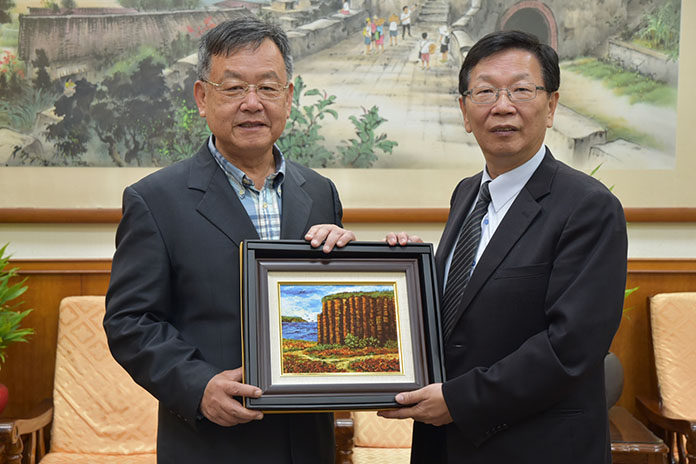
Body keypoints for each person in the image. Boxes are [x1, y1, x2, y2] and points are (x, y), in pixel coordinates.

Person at [104, 17, 356, 463]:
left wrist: (350, 267)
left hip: (307, 444)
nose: (252, 103)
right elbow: (130, 321)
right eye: (234, 87)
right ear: (203, 98)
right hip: (211, 444)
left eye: (268, 88)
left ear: (289, 97)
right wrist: (197, 385)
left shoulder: (320, 192)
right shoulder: (155, 199)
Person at [380, 30, 628, 463]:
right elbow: (465, 312)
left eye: (521, 90)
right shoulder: (467, 193)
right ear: (464, 110)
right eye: (485, 92)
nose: (502, 106)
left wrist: (458, 400)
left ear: (551, 106)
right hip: (447, 444)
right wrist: (406, 270)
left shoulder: (588, 206)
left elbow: (570, 347)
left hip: (536, 447)